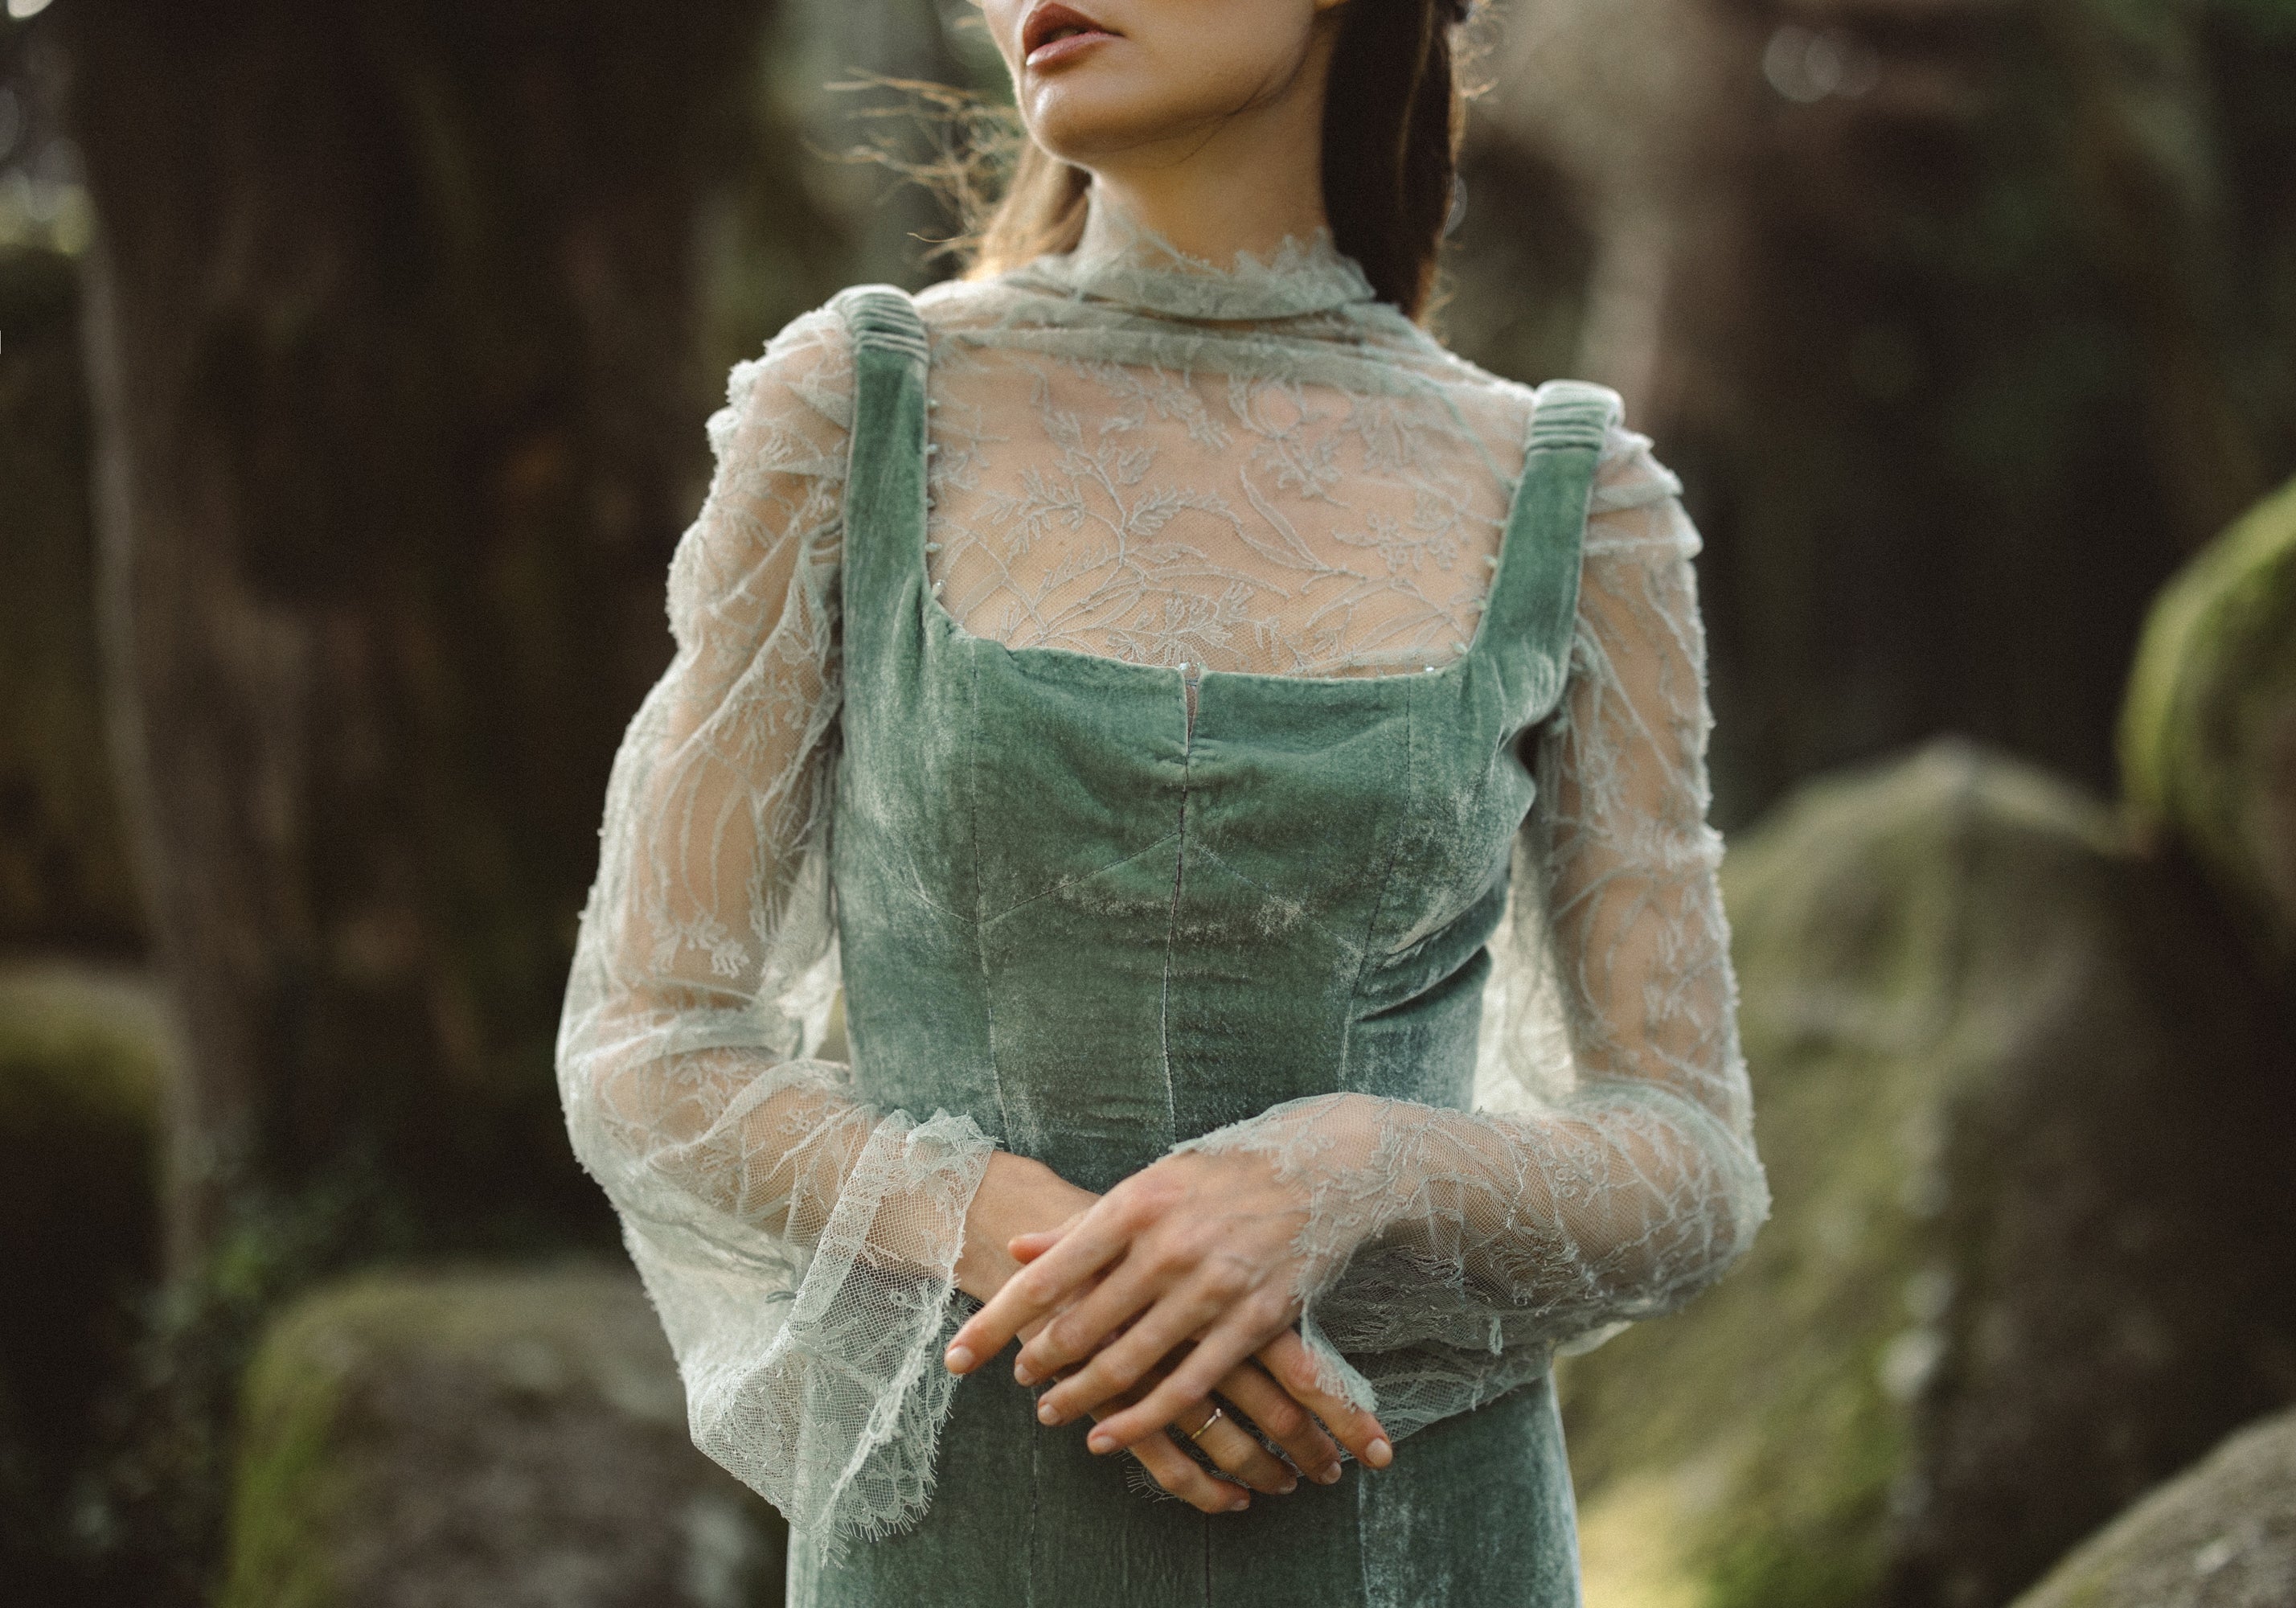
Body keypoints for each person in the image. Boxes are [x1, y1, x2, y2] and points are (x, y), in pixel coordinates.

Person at [553, 0, 1773, 1601]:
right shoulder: (855, 409)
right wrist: (1027, 1245)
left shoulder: (1572, 495)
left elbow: (1689, 1156)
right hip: (966, 1540)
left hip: (1408, 1544)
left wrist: (1339, 1174)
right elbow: (650, 1039)